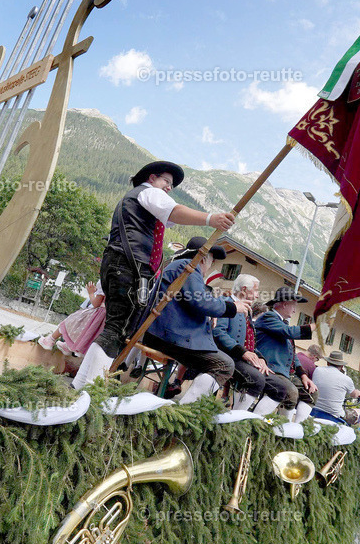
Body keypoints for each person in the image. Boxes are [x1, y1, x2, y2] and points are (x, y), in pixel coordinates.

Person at [74, 161, 236, 388]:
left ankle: (82, 384)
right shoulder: (148, 192)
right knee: (117, 329)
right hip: (129, 266)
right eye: (166, 181)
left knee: (116, 327)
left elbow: (171, 217)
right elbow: (175, 211)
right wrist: (211, 219)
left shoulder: (141, 200)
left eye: (171, 185)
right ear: (152, 178)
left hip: (122, 264)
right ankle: (88, 388)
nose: (169, 187)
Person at [140, 237, 250, 403]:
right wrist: (233, 307)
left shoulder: (182, 266)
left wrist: (210, 314)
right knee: (224, 365)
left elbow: (192, 302)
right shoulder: (189, 267)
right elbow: (201, 302)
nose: (211, 265)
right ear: (204, 258)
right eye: (212, 261)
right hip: (170, 336)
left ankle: (183, 403)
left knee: (217, 362)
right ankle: (184, 410)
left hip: (168, 334)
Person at [210, 274, 290, 414]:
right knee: (256, 379)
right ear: (244, 289)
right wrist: (243, 352)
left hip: (244, 359)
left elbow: (250, 342)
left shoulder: (247, 310)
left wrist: (261, 359)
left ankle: (250, 421)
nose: (257, 295)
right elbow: (218, 332)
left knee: (280, 388)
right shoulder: (227, 303)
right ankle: (234, 419)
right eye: (256, 290)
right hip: (229, 356)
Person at [253, 287, 318, 423]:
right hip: (270, 368)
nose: (295, 310)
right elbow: (289, 332)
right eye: (294, 305)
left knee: (311, 393)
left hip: (284, 373)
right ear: (284, 304)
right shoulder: (268, 317)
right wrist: (316, 325)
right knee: (291, 391)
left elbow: (292, 354)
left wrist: (304, 376)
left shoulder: (282, 323)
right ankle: (262, 422)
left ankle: (296, 427)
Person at [38, 281, 105, 356]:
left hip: (100, 314)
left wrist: (91, 293)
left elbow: (96, 303)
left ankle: (50, 340)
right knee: (84, 332)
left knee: (71, 321)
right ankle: (68, 346)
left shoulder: (107, 279)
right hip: (109, 318)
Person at [309, 351, 360, 426]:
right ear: (341, 366)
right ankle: (355, 433)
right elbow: (354, 394)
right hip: (334, 416)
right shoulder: (347, 379)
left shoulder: (317, 370)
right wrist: (358, 393)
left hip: (314, 410)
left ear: (328, 363)